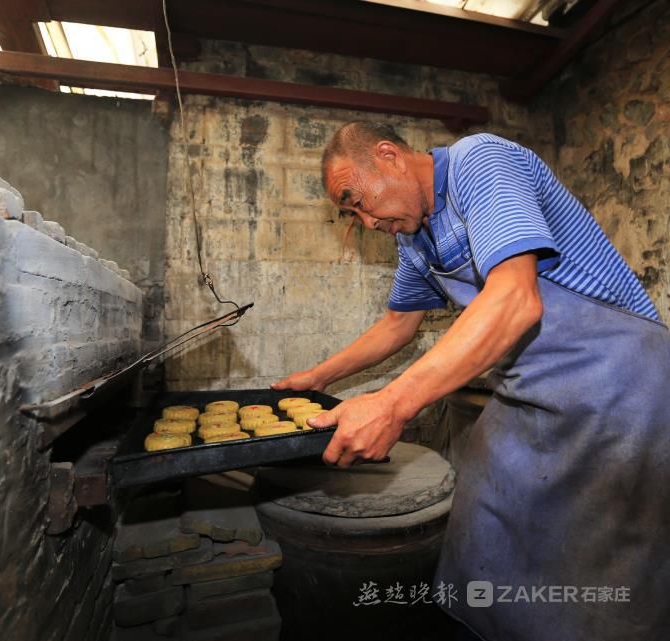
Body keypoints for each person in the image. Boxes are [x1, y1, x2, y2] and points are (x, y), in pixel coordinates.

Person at [271, 122, 670, 641]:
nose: (367, 221)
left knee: (604, 556)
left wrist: (392, 404)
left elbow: (515, 299)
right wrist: (317, 376)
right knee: (483, 513)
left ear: (389, 155)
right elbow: (398, 324)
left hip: (622, 379)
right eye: (353, 215)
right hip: (534, 384)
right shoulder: (414, 236)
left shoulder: (478, 163)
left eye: (360, 202)